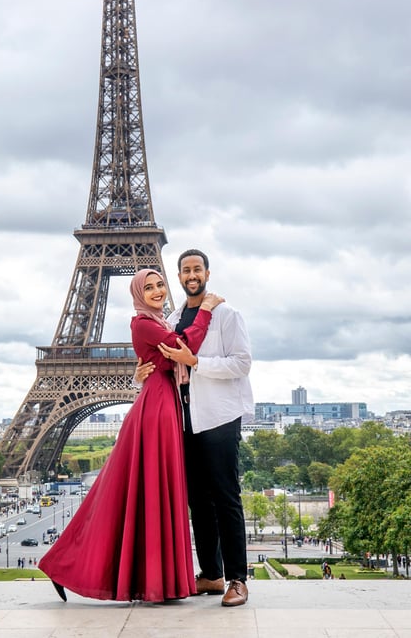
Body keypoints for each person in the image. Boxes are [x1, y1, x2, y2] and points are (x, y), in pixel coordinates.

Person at [38, 268, 223, 603]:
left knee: (136, 492)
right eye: (148, 287)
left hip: (162, 401)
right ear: (138, 294)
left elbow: (168, 356)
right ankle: (67, 565)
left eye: (159, 285)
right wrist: (207, 308)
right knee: (139, 491)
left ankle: (153, 579)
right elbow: (185, 346)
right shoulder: (143, 323)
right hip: (157, 408)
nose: (156, 291)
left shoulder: (160, 322)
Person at [137, 249, 253, 607]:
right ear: (179, 276)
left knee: (225, 498)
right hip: (183, 417)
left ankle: (238, 579)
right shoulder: (171, 318)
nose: (191, 274)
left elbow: (242, 363)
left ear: (207, 272)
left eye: (196, 269)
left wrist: (196, 362)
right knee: (198, 501)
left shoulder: (226, 314)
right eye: (185, 270)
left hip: (218, 417)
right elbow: (161, 360)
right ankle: (212, 574)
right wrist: (138, 372)